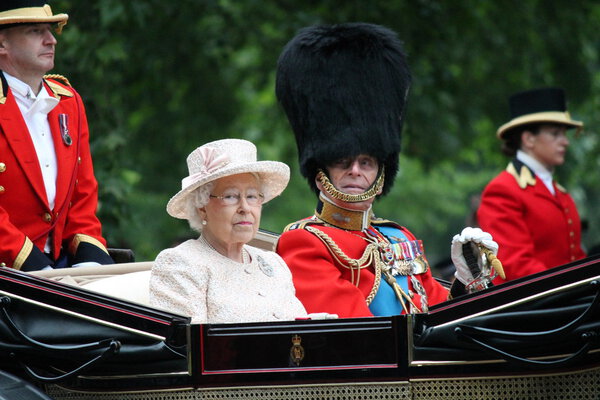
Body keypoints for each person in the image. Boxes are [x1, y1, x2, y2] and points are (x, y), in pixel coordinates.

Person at [275, 22, 500, 318]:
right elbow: (357, 333)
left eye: (366, 162)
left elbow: (440, 313)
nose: (355, 170)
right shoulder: (304, 241)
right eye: (342, 161)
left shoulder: (398, 237)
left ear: (381, 175)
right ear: (321, 171)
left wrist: (466, 281)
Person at [0, 1, 113, 271]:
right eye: (36, 31)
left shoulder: (68, 101)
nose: (51, 40)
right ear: (2, 44)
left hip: (58, 268)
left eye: (50, 31)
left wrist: (89, 261)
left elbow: (82, 196)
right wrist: (33, 265)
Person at [149, 139, 309, 324]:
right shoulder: (180, 264)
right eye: (231, 196)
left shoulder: (274, 264)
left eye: (251, 196)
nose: (245, 208)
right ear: (202, 207)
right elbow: (188, 348)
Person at [477, 87, 586, 283]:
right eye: (555, 134)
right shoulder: (503, 190)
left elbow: (575, 258)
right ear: (528, 139)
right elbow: (516, 265)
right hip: (533, 308)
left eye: (564, 134)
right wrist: (572, 289)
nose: (565, 142)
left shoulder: (560, 193)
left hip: (569, 305)